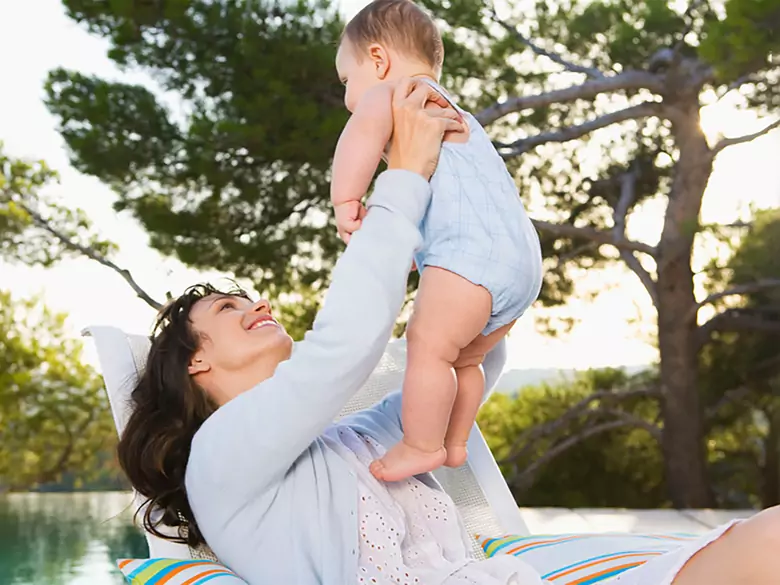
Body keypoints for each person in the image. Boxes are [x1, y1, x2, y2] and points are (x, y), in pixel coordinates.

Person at [116, 76, 780, 585]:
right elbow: (341, 350)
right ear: (195, 365)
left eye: (246, 295)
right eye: (229, 310)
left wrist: (476, 276)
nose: (254, 302)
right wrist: (401, 177)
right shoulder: (221, 456)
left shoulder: (351, 440)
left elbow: (476, 362)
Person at [330, 0, 543, 482]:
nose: (349, 96)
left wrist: (346, 200)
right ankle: (455, 441)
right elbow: (456, 202)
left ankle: (421, 443)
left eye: (347, 80)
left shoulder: (393, 93)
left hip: (467, 260)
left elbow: (359, 139)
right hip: (522, 262)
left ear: (379, 60)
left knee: (427, 346)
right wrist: (409, 246)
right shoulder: (463, 118)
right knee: (466, 357)